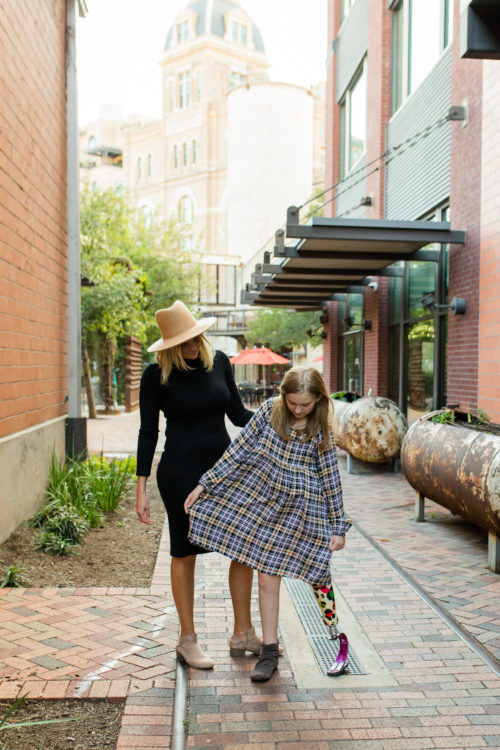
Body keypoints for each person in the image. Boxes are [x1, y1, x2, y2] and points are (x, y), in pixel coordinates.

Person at [185, 366, 351, 682]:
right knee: (265, 577)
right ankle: (270, 650)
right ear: (283, 396)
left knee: (314, 570)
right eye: (293, 403)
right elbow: (239, 451)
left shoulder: (319, 427)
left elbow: (330, 476)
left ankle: (320, 633)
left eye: (305, 404)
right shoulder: (268, 413)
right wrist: (205, 483)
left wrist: (338, 525)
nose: (299, 409)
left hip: (300, 511)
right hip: (263, 502)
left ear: (318, 398)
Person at [136, 300, 257, 669]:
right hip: (180, 472)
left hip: (225, 473)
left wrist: (280, 420)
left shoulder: (219, 361)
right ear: (169, 347)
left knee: (243, 546)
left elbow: (237, 415)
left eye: (195, 338)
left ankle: (243, 633)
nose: (192, 347)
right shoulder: (155, 376)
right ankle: (187, 639)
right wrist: (140, 489)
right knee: (183, 552)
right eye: (183, 343)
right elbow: (148, 432)